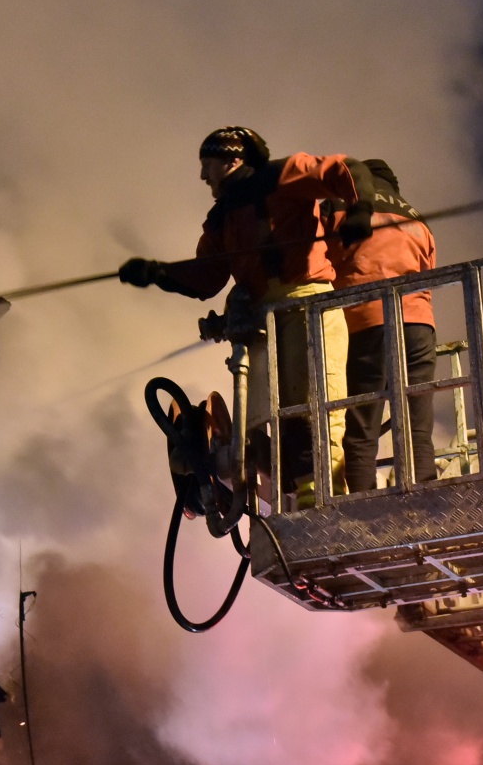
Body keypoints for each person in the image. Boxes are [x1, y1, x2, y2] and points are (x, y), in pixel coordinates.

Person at [119, 126, 376, 499]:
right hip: (263, 317)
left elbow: (346, 169)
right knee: (276, 412)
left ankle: (325, 494)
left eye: (208, 164)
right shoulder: (221, 216)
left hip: (307, 303)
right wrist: (157, 273)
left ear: (232, 159)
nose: (203, 175)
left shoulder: (283, 175)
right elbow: (207, 275)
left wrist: (360, 210)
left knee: (316, 400)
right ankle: (302, 492)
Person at [330, 159, 438, 492]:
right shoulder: (417, 218)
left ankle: (362, 503)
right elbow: (429, 270)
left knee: (362, 428)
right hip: (419, 324)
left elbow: (320, 264)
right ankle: (426, 496)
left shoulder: (343, 209)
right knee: (418, 427)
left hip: (367, 322)